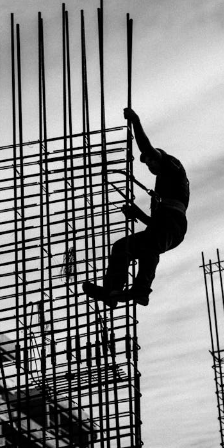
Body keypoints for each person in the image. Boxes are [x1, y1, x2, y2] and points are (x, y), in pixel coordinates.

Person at [83, 108, 189, 307]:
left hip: (173, 226)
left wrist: (135, 120)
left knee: (150, 245)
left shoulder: (173, 167)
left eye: (151, 162)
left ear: (159, 158)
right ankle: (112, 290)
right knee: (122, 247)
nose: (150, 166)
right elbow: (154, 225)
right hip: (165, 228)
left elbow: (146, 148)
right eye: (147, 165)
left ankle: (141, 290)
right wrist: (137, 213)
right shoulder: (160, 190)